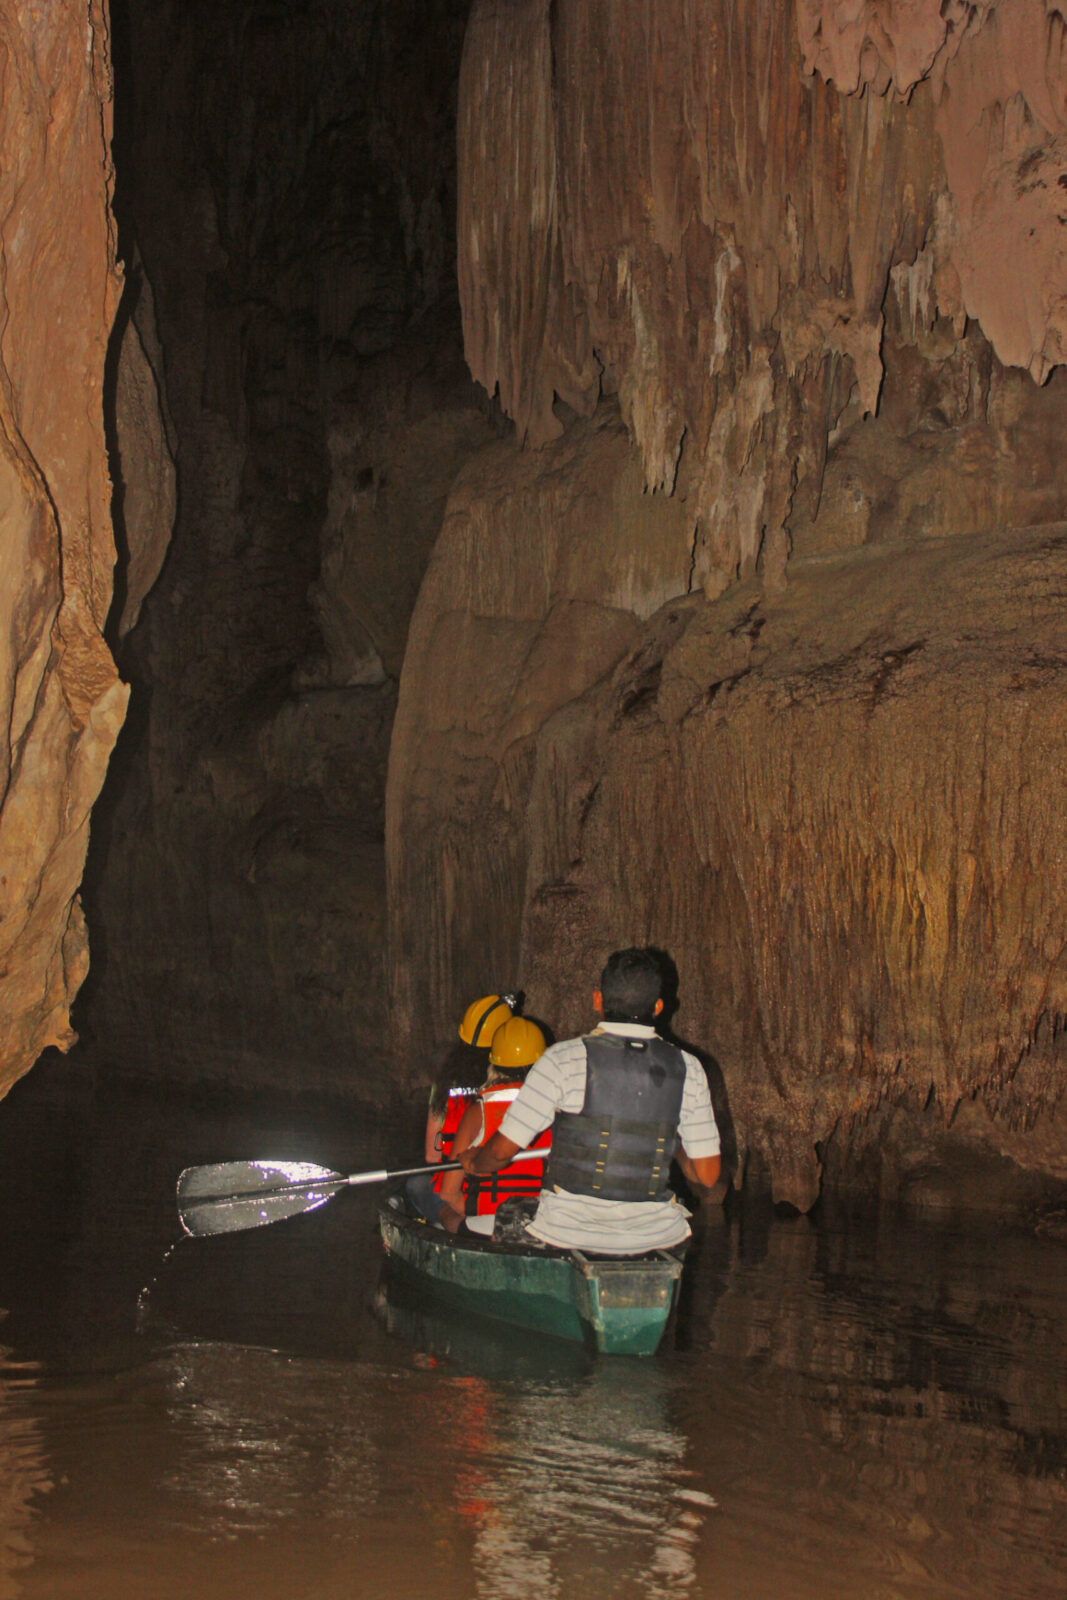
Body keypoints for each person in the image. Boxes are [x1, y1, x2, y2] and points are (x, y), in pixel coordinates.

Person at [458, 949, 720, 1254]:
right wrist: (669, 1143)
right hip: (655, 1235)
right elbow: (708, 1175)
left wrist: (475, 1162)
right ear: (658, 1007)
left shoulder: (562, 1060)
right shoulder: (688, 1068)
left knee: (490, 1220)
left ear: (598, 1000)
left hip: (566, 1232)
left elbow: (502, 1151)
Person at [405, 993, 516, 1223]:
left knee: (416, 1184)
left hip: (458, 1189)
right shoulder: (518, 1085)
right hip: (507, 1187)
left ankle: (449, 1221)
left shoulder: (446, 1084)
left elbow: (432, 1155)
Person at [438, 1017, 551, 1236]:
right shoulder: (555, 1110)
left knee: (443, 1211)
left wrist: (472, 1210)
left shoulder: (477, 1112)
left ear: (494, 1064)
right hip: (540, 1222)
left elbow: (448, 1192)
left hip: (489, 1223)